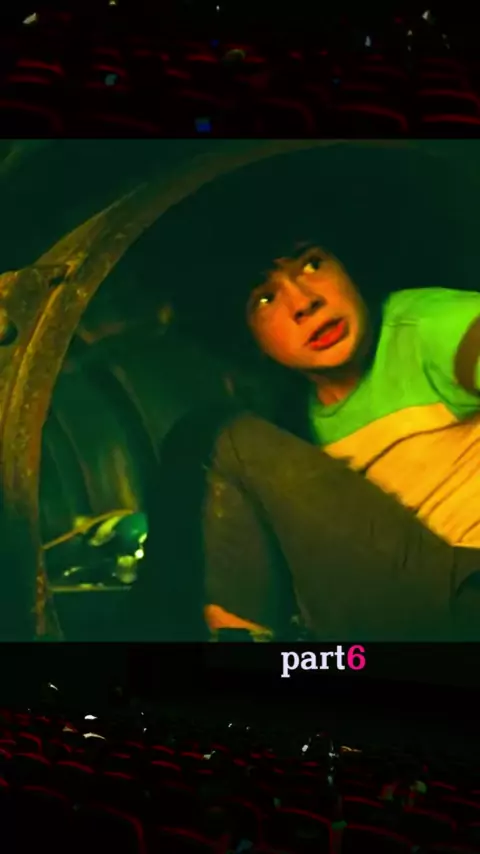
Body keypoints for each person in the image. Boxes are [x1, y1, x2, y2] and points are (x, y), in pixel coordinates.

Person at [129, 145, 480, 642]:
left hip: (467, 593)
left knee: (215, 436)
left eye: (312, 264)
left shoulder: (425, 325)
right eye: (265, 298)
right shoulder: (300, 421)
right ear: (249, 338)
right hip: (409, 613)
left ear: (348, 264)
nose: (304, 302)